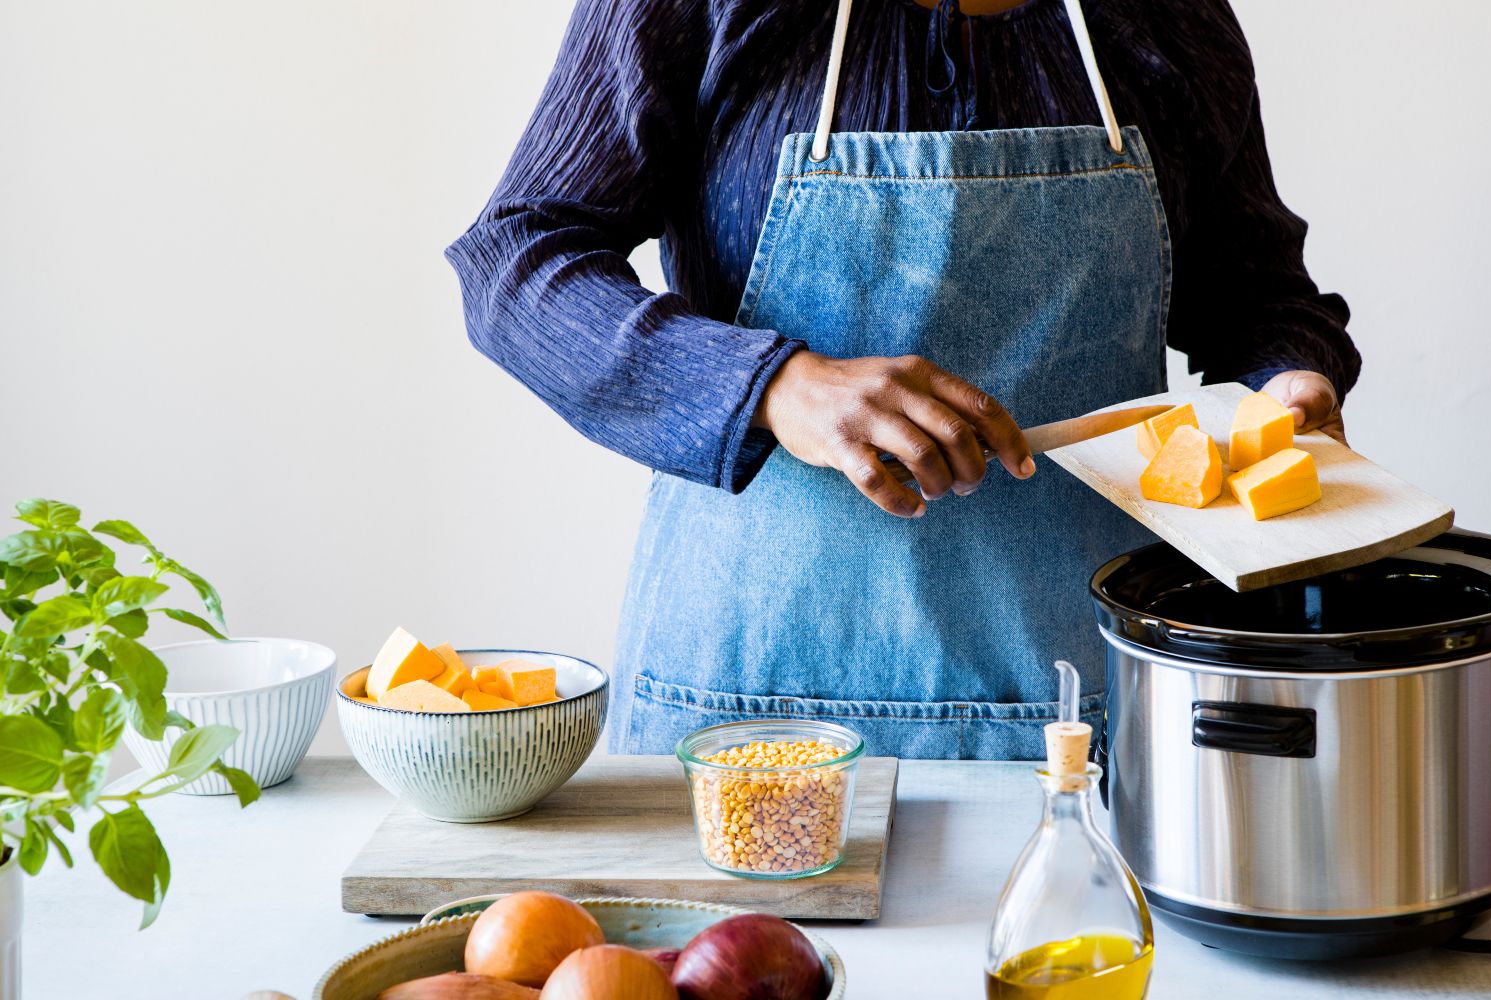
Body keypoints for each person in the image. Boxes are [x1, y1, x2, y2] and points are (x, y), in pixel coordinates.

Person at [445, 0, 1360, 758]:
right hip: (742, 711)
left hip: (1088, 716)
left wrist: (1290, 378)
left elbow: (1258, 295)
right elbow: (514, 258)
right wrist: (773, 386)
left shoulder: (1166, 19)